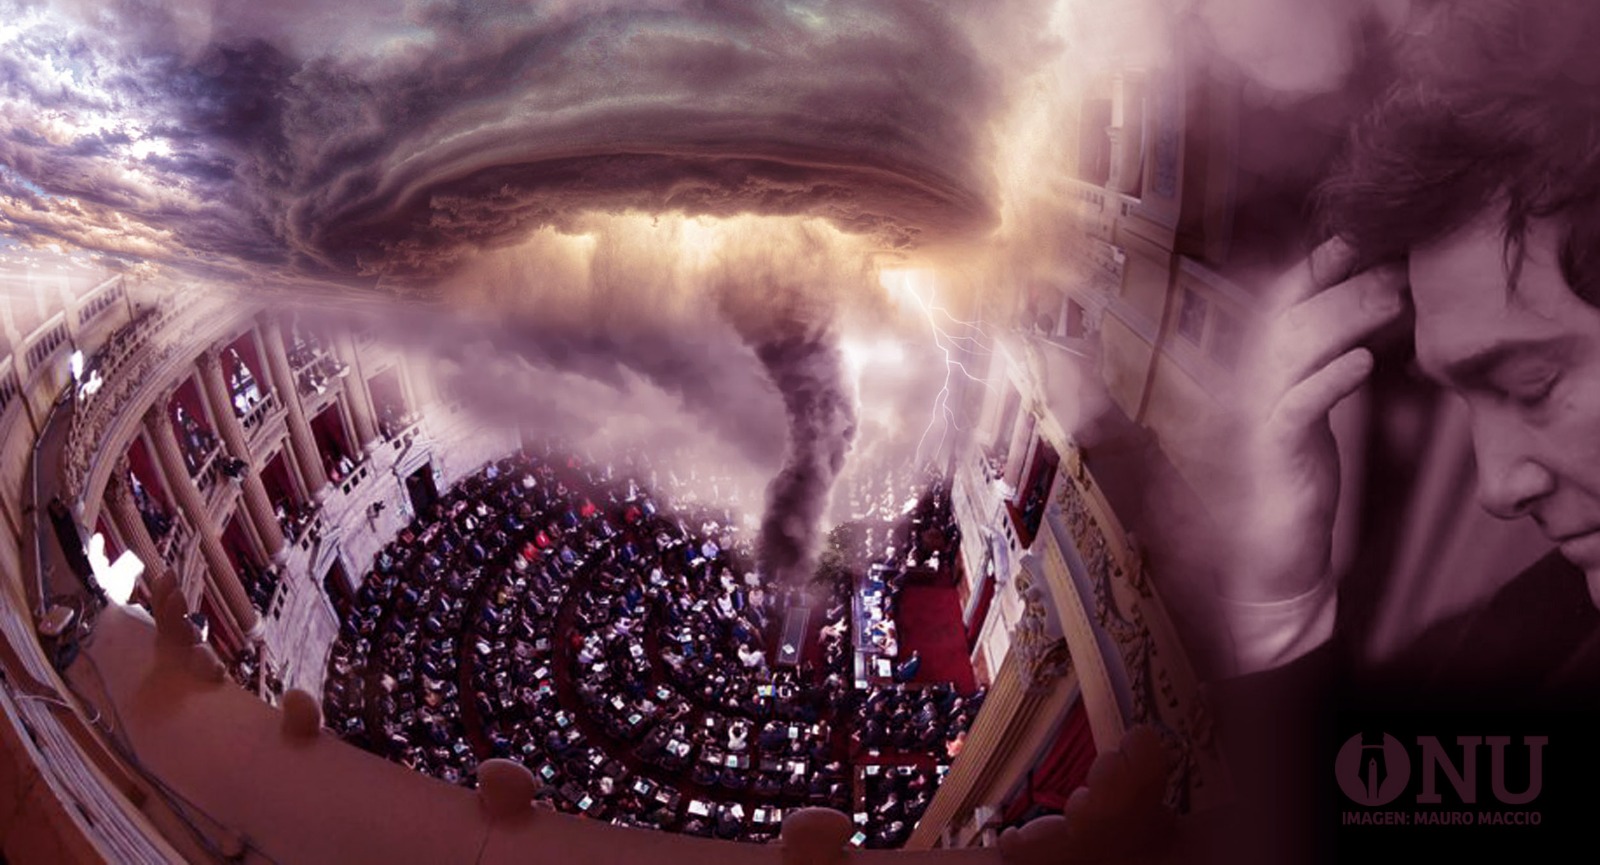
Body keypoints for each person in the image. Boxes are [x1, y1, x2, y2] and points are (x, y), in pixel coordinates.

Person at [1213, 2, 1600, 861]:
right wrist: (1283, 600)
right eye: (1466, 401)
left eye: (1531, 384)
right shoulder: (1523, 638)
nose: (1499, 486)